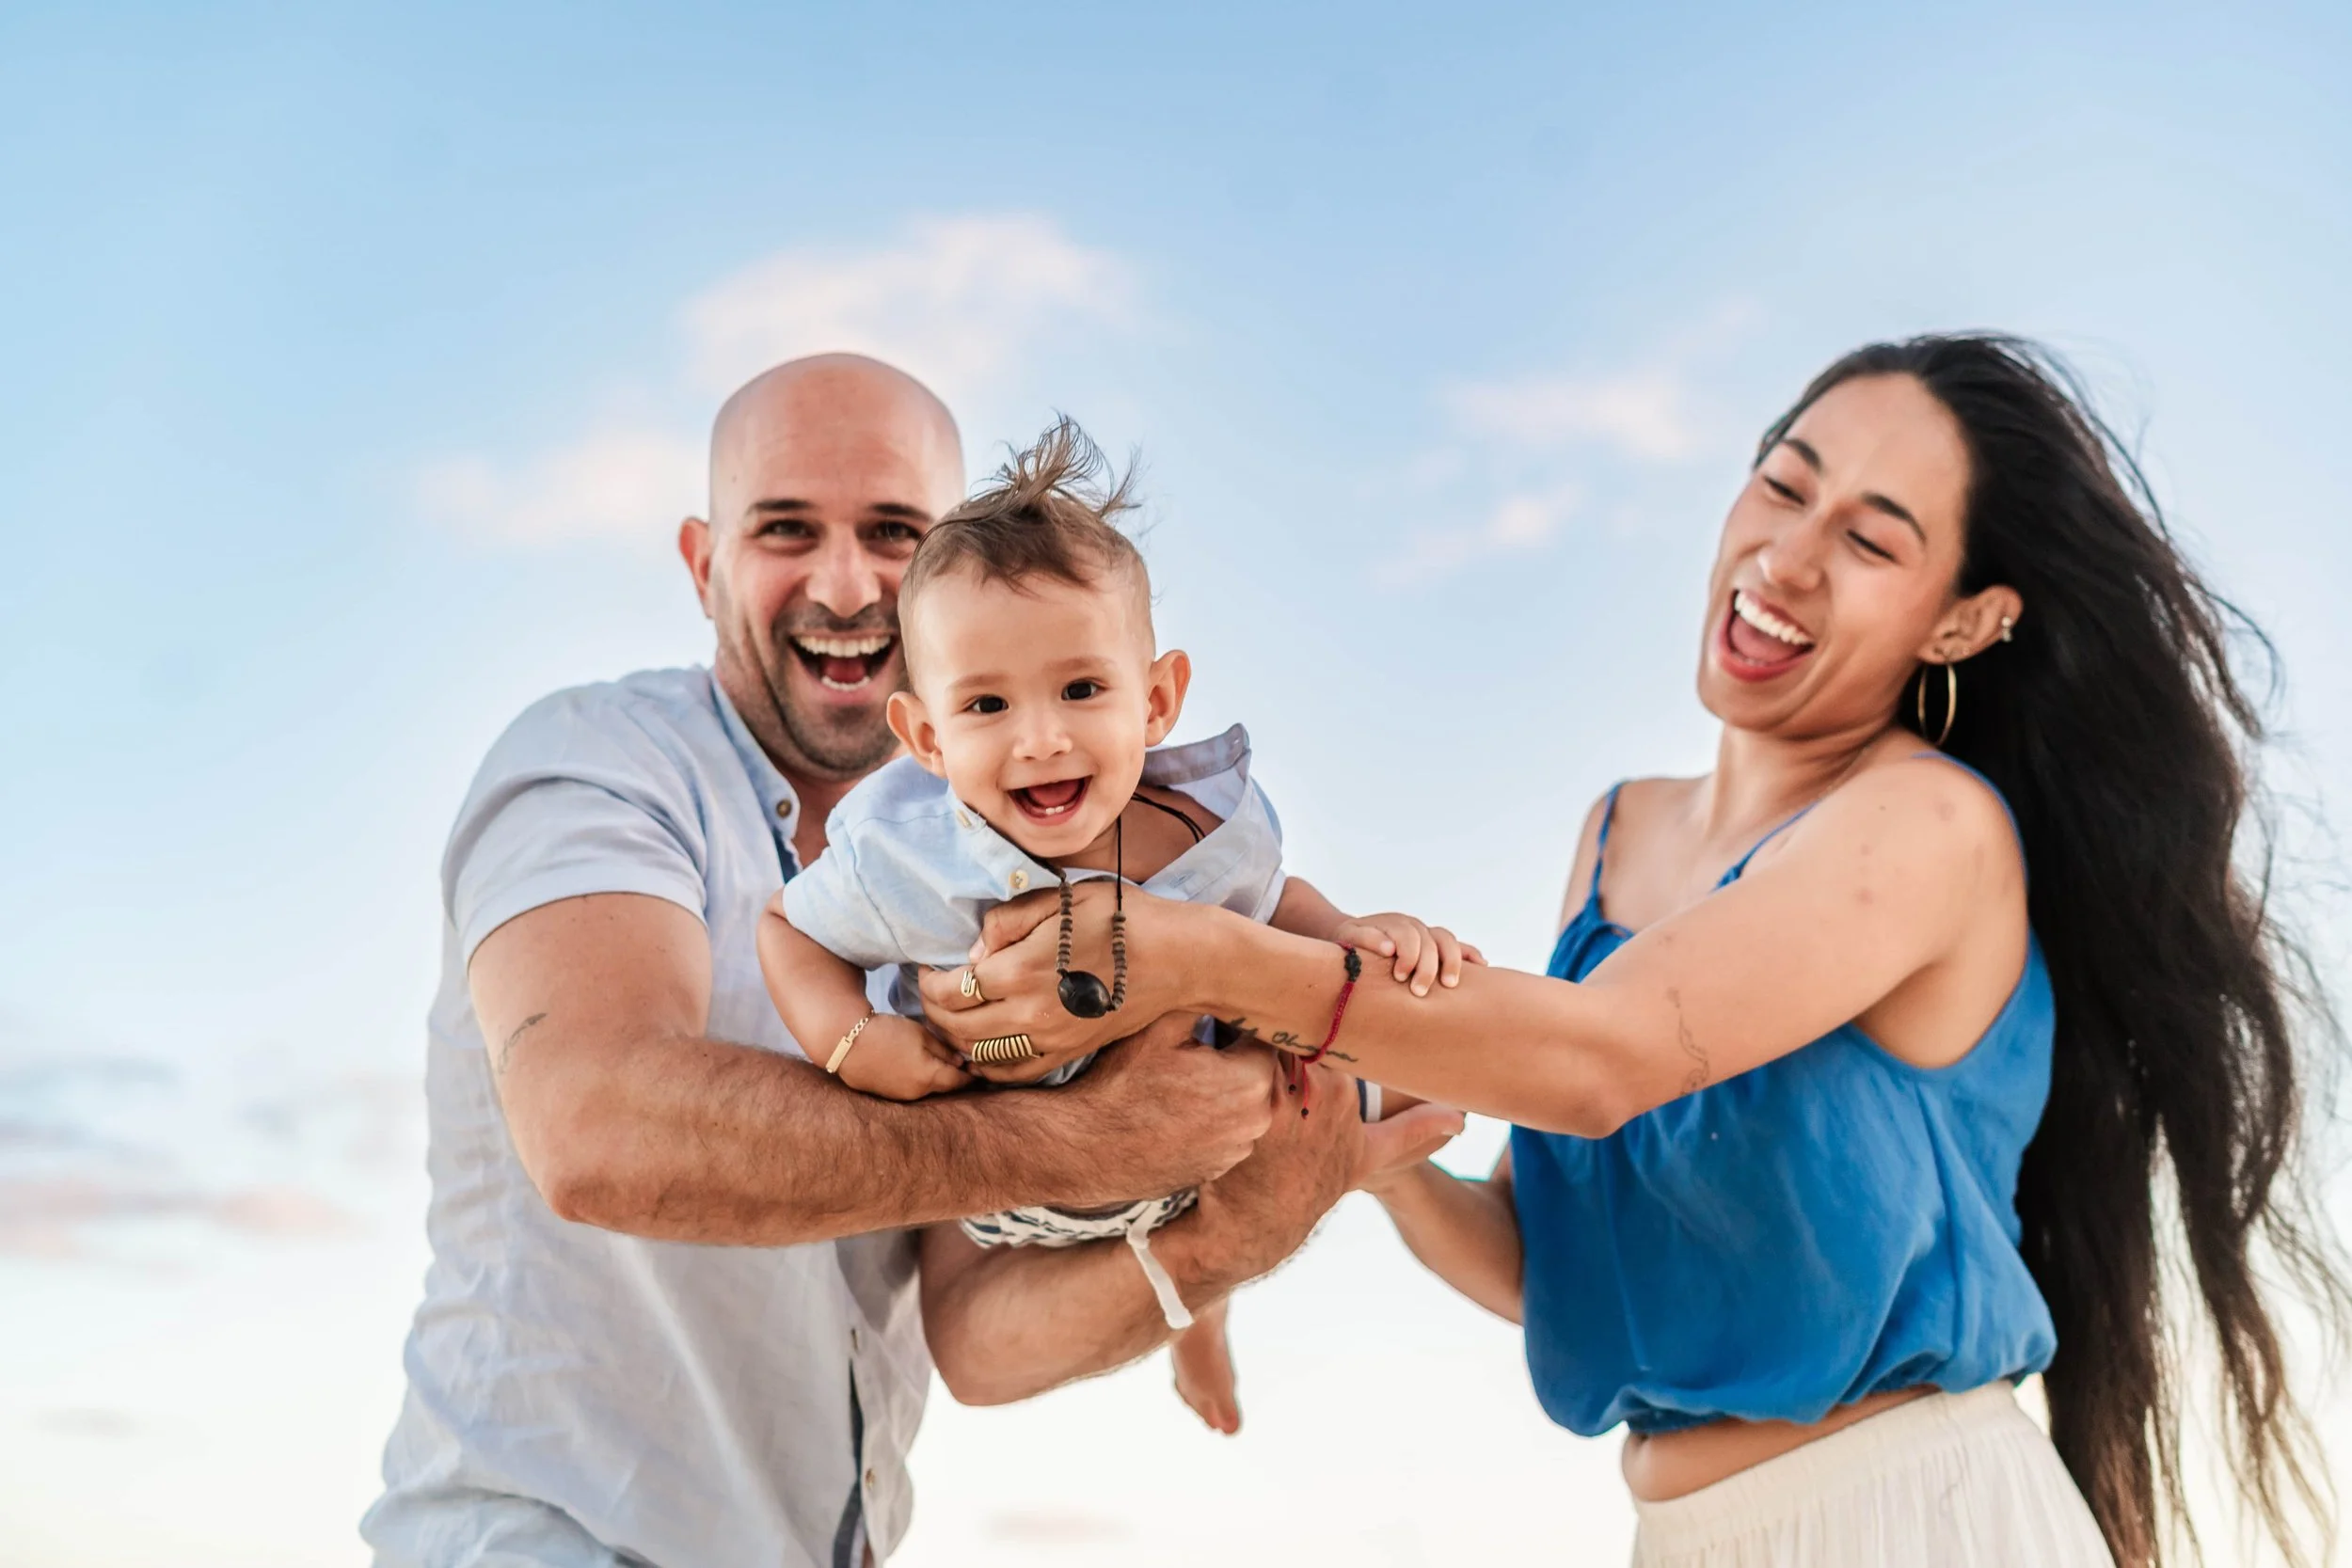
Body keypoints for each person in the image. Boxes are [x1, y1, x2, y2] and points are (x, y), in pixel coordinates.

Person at [920, 336, 2348, 1567]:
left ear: (1964, 617)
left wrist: (1207, 954)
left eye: (1872, 536)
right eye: (1785, 482)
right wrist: (1335, 1136)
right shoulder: (1619, 835)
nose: (1787, 554)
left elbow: (1596, 1062)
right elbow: (1553, 1266)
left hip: (1915, 1514)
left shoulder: (1929, 823)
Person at [361, 354, 1458, 1568]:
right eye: (787, 530)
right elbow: (592, 1123)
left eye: (894, 531)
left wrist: (1223, 1238)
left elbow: (978, 1334)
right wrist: (1086, 1136)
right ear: (701, 562)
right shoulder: (600, 761)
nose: (846, 583)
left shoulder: (999, 849)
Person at [759, 417, 1470, 1433]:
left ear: (1157, 698)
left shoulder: (1205, 829)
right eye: (987, 704)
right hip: (1024, 1186)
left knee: (1354, 1064)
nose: (1041, 737)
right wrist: (848, 1038)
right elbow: (786, 929)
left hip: (1197, 1149)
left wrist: (1359, 928)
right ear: (923, 735)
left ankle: (1208, 1305)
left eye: (1082, 688)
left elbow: (1275, 906)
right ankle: (1194, 1303)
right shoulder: (907, 860)